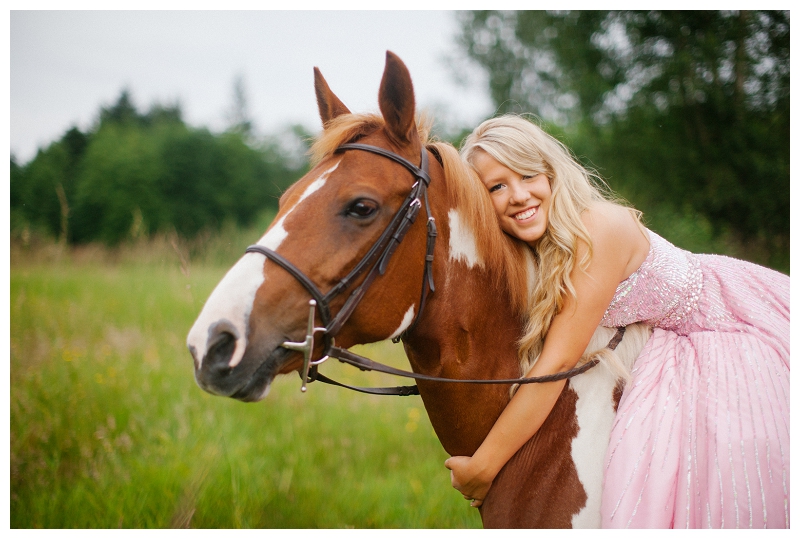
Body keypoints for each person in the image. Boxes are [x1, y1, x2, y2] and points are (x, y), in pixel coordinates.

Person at [444, 115, 789, 528]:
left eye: (528, 174)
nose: (517, 195)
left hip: (722, 321)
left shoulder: (598, 228)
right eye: (496, 187)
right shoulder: (530, 245)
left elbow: (555, 365)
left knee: (731, 449)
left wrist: (484, 467)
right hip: (661, 337)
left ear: (552, 174)